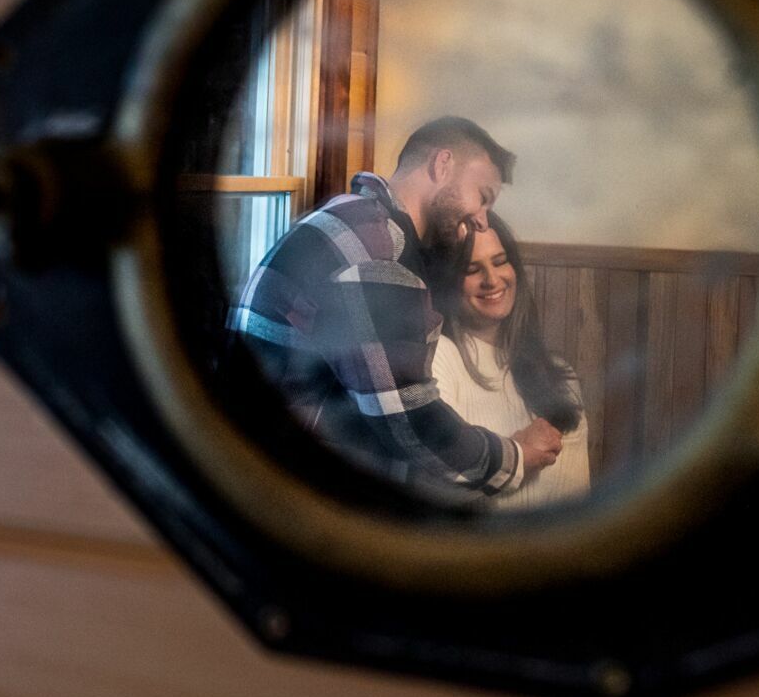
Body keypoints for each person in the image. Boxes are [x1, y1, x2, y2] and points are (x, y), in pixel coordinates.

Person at [229, 117, 562, 505]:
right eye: (482, 196)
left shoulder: (356, 218)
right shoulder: (378, 252)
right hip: (280, 493)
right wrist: (516, 458)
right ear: (442, 165)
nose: (481, 219)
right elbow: (411, 421)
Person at [429, 212, 589, 511]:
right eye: (472, 268)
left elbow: (576, 501)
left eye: (500, 261)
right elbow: (435, 487)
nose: (492, 280)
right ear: (448, 283)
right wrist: (517, 451)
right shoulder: (438, 357)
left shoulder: (559, 375)